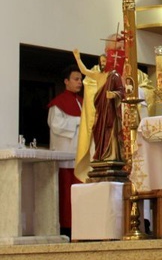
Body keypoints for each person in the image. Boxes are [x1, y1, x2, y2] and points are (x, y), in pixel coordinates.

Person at [72, 48, 125, 182]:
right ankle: (101, 156)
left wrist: (114, 94)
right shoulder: (98, 75)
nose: (102, 63)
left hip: (111, 112)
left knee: (110, 133)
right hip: (100, 111)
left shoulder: (115, 76)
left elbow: (122, 91)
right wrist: (78, 58)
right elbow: (84, 71)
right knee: (98, 132)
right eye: (101, 61)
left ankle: (111, 156)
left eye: (104, 61)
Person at [47, 64, 83, 236]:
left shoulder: (82, 102)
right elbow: (56, 126)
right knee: (66, 196)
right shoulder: (58, 105)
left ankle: (81, 227)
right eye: (76, 79)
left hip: (80, 157)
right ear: (66, 81)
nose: (80, 82)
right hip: (65, 157)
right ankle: (66, 228)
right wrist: (78, 121)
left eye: (81, 79)